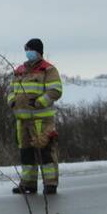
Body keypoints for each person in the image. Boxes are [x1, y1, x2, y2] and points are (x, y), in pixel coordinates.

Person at [8, 38, 63, 195]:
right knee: (26, 153)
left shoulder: (48, 70)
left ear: (39, 51)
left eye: (30, 49)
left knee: (45, 152)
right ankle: (28, 184)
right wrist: (11, 101)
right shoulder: (19, 70)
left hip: (41, 120)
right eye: (26, 50)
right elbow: (11, 90)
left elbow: (55, 91)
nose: (28, 53)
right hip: (22, 120)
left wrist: (38, 102)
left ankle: (50, 184)